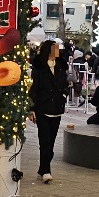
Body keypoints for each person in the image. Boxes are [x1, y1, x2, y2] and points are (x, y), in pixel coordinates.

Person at [29, 40, 67, 183]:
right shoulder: (39, 67)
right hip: (42, 108)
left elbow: (64, 83)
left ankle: (42, 168)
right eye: (55, 49)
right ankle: (46, 171)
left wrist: (63, 95)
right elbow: (34, 88)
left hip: (56, 107)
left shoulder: (61, 66)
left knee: (51, 142)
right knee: (44, 141)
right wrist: (31, 108)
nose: (57, 52)